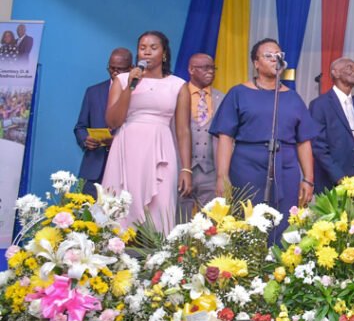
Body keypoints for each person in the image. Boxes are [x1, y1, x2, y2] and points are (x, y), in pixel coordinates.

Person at [210, 39, 317, 236]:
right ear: (256, 63)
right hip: (247, 164)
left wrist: (308, 179)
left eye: (278, 55)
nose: (274, 59)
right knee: (247, 222)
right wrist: (222, 176)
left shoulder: (293, 97)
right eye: (268, 55)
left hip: (286, 165)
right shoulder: (238, 93)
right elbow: (225, 137)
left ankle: (278, 265)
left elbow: (304, 141)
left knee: (283, 222)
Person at [102, 31, 192, 233]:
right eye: (143, 48)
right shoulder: (124, 80)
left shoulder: (178, 85)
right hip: (126, 147)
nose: (147, 52)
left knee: (160, 206)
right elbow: (113, 120)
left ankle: (157, 258)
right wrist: (130, 88)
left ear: (164, 53)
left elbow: (183, 130)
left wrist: (186, 168)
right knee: (121, 205)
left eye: (153, 48)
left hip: (160, 150)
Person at [73, 48, 132, 197]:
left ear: (131, 68)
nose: (115, 72)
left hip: (124, 169)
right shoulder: (93, 91)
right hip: (94, 167)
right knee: (85, 216)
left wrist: (117, 141)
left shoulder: (137, 93)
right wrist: (86, 140)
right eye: (112, 68)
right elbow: (80, 127)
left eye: (120, 69)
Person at [309, 57, 354, 194]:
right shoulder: (320, 104)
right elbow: (318, 146)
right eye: (350, 67)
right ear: (335, 73)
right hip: (331, 182)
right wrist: (340, 178)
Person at [182, 53, 223, 215]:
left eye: (212, 68)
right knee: (178, 224)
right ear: (191, 69)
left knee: (210, 227)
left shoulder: (222, 98)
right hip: (182, 169)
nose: (210, 71)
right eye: (205, 68)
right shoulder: (177, 94)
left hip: (210, 172)